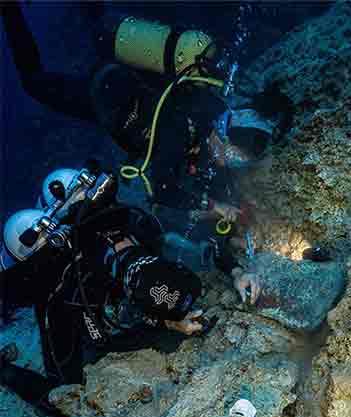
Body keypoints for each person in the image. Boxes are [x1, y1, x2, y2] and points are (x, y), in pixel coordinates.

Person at [0, 2, 294, 268]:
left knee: (98, 28)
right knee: (34, 84)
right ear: (225, 137)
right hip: (102, 97)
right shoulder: (177, 129)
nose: (225, 164)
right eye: (231, 158)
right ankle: (10, 10)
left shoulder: (213, 105)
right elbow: (162, 188)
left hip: (126, 83)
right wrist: (216, 207)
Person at [0, 191, 259, 417]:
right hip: (78, 310)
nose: (120, 245)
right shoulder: (66, 294)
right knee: (65, 395)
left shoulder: (136, 225)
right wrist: (166, 323)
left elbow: (203, 238)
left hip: (111, 301)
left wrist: (236, 271)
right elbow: (101, 340)